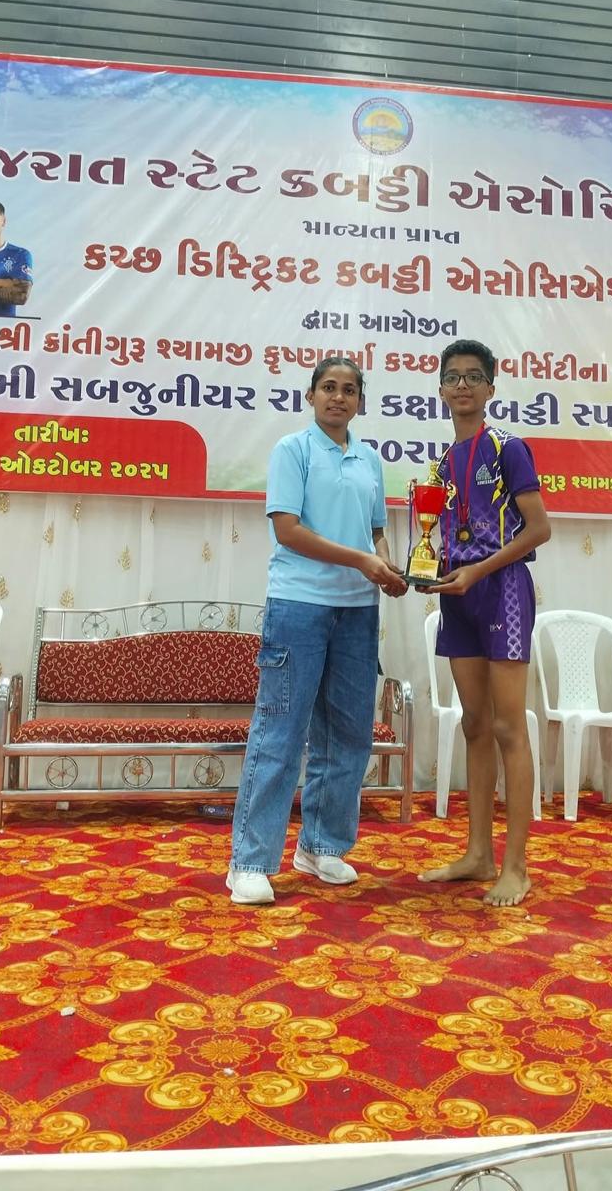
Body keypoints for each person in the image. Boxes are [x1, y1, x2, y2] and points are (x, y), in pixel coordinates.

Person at [228, 357, 408, 906]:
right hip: (299, 605)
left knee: (348, 735)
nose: (338, 397)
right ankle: (249, 862)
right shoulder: (293, 450)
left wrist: (386, 565)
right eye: (328, 387)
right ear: (310, 396)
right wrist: (362, 560)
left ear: (360, 401)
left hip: (358, 610)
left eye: (349, 390)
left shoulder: (369, 460)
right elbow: (289, 531)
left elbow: (376, 530)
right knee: (280, 733)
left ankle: (321, 846)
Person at [418, 339, 550, 908]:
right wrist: (431, 572)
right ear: (441, 390)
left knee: (507, 727)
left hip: (503, 593)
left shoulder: (509, 448)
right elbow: (444, 535)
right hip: (459, 595)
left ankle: (516, 866)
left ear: (491, 388)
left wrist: (479, 570)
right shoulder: (442, 464)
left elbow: (539, 529)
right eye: (454, 377)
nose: (463, 385)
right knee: (474, 723)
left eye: (474, 376)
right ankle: (478, 854)